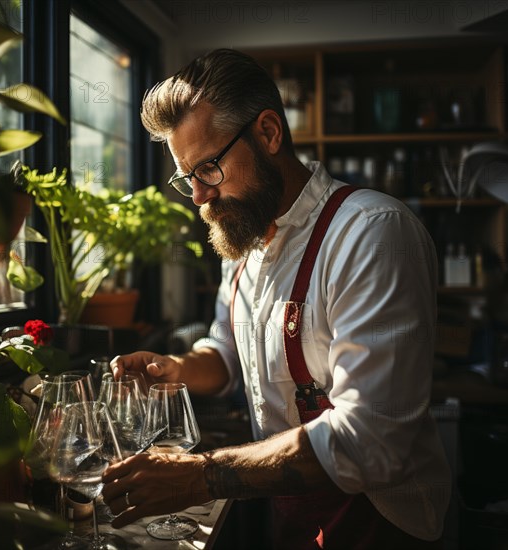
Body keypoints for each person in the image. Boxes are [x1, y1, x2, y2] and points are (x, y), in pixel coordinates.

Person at [101, 48, 451, 549]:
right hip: (291, 512)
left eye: (209, 169)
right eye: (187, 178)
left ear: (268, 133)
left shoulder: (371, 233)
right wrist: (176, 369)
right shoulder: (242, 243)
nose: (199, 196)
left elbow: (369, 443)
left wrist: (198, 475)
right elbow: (225, 352)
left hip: (382, 524)